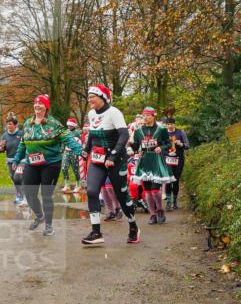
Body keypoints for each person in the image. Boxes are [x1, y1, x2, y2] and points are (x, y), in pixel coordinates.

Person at [12, 95, 82, 236]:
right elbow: (22, 144)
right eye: (36, 104)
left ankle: (49, 225)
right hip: (32, 163)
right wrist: (17, 159)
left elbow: (67, 137)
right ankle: (40, 216)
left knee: (46, 195)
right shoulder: (28, 123)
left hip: (50, 164)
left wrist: (79, 151)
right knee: (29, 191)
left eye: (41, 104)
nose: (37, 106)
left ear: (46, 107)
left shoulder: (53, 124)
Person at [81, 84, 140, 246]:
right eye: (89, 96)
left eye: (93, 96)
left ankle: (133, 225)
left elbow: (124, 135)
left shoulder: (114, 113)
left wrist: (113, 155)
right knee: (92, 191)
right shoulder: (92, 114)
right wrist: (86, 150)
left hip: (115, 160)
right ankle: (96, 232)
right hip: (97, 160)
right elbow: (92, 135)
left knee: (121, 196)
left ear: (103, 97)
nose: (90, 99)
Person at [132, 106, 175, 225]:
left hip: (156, 161)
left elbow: (168, 144)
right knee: (147, 191)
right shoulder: (138, 131)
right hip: (144, 161)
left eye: (148, 115)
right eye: (144, 115)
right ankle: (152, 214)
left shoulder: (161, 130)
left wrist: (160, 148)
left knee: (155, 190)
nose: (145, 118)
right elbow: (136, 146)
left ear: (153, 116)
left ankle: (160, 210)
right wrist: (130, 144)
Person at [161, 115, 190, 210]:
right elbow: (160, 146)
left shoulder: (180, 132)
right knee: (168, 180)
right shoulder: (163, 133)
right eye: (168, 124)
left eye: (171, 124)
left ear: (174, 124)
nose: (170, 126)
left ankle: (175, 202)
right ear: (166, 125)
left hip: (178, 158)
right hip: (167, 158)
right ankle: (168, 202)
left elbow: (187, 145)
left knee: (176, 180)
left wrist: (180, 143)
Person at [0, 117, 25, 206]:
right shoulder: (4, 135)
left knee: (18, 178)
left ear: (15, 125)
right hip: (10, 161)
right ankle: (19, 195)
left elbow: (26, 146)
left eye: (10, 124)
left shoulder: (21, 134)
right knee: (14, 179)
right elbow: (0, 149)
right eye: (7, 124)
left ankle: (24, 196)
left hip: (21, 160)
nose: (9, 126)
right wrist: (1, 148)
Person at [60, 117, 82, 193]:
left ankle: (78, 185)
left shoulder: (77, 133)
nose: (69, 127)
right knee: (64, 168)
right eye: (68, 125)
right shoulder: (66, 131)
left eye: (70, 125)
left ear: (74, 125)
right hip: (66, 152)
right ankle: (67, 185)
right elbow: (63, 141)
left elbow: (79, 143)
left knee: (75, 169)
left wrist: (78, 153)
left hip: (74, 152)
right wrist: (62, 149)